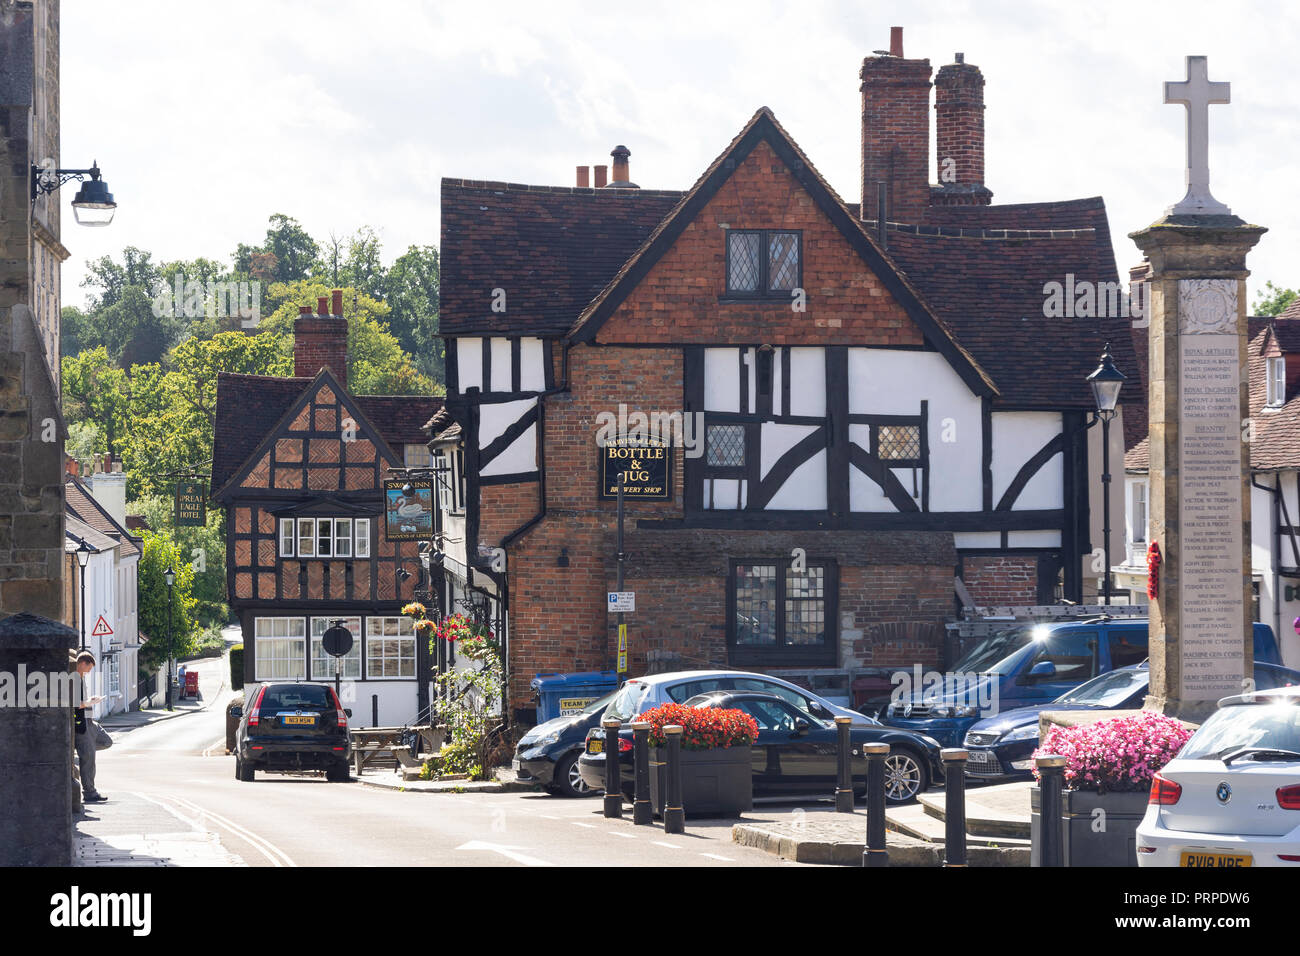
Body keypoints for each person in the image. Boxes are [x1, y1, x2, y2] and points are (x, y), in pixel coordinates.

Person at [73, 650, 112, 804]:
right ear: (83, 663)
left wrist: (90, 700)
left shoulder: (80, 678)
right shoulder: (74, 679)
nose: (89, 671)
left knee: (107, 741)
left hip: (90, 722)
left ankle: (82, 751)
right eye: (89, 668)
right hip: (81, 724)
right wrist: (90, 702)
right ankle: (89, 792)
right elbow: (76, 704)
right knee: (89, 760)